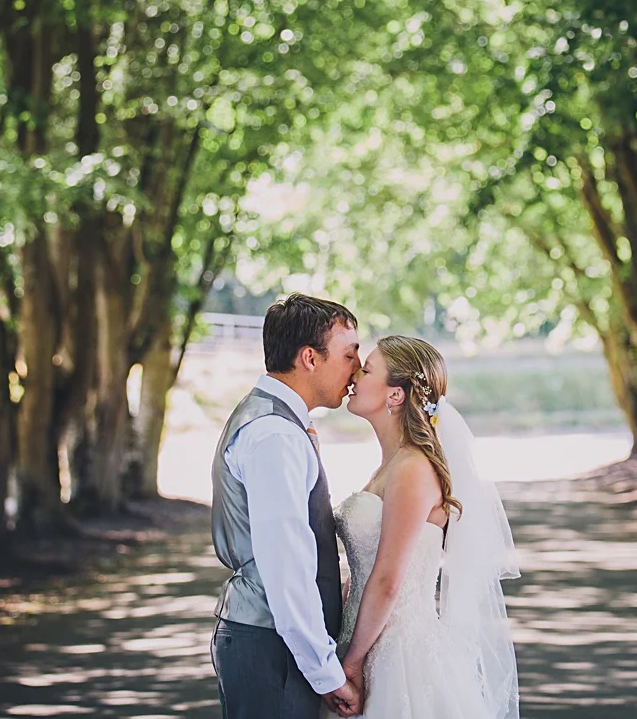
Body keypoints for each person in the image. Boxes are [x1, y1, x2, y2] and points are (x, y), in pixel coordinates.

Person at [323, 335, 522, 719]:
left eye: (367, 370)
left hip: (398, 657)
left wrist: (352, 663)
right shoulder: (389, 467)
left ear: (395, 395)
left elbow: (388, 580)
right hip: (361, 638)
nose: (354, 375)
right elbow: (366, 569)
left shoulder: (412, 469)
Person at [210, 293, 365, 719]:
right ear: (310, 358)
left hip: (275, 642)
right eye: (349, 355)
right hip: (272, 645)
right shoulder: (275, 435)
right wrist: (326, 673)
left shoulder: (277, 422)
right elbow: (286, 566)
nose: (358, 368)